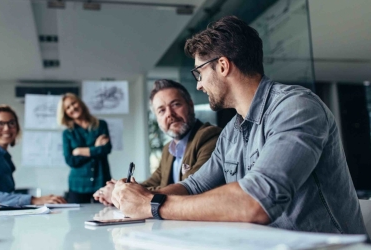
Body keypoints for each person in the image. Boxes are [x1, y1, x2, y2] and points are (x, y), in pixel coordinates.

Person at [111, 16, 367, 234]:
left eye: (199, 73)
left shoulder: (296, 108)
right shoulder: (232, 132)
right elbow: (194, 185)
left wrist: (152, 204)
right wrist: (135, 199)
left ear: (222, 66)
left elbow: (257, 201)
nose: (199, 84)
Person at [93, 79, 222, 205]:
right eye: (161, 110)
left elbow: (192, 187)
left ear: (190, 105)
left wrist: (122, 193)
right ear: (157, 118)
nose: (170, 114)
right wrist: (120, 189)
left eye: (176, 104)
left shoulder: (209, 137)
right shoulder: (168, 149)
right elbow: (151, 183)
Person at [0, 105, 66, 206]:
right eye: (0, 123)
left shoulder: (0, 155)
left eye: (12, 123)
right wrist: (33, 200)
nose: (6, 128)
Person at [58, 93, 112, 203]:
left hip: (101, 181)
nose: (72, 108)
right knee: (76, 219)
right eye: (68, 107)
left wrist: (80, 151)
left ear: (80, 103)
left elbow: (106, 149)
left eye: (73, 103)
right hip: (78, 186)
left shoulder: (101, 125)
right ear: (65, 113)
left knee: (105, 216)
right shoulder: (67, 133)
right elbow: (70, 160)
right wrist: (95, 148)